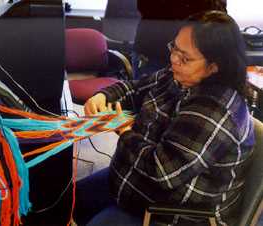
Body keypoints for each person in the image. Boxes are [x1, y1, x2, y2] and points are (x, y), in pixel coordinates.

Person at [74, 11, 255, 226]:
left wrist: (124, 131)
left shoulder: (214, 111)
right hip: (134, 184)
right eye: (175, 48)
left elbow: (161, 171)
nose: (173, 60)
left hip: (172, 214)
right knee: (70, 200)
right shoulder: (179, 76)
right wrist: (104, 95)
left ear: (213, 67)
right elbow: (135, 88)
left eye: (185, 58)